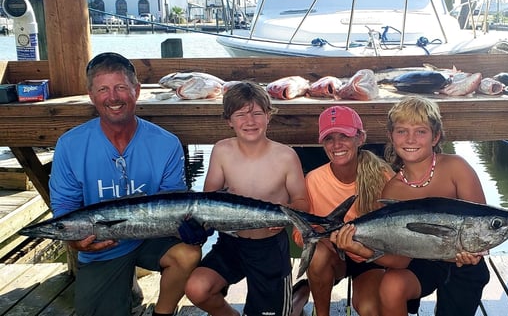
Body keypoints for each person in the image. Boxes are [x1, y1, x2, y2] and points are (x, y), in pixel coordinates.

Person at [49, 52, 203, 316]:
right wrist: (75, 242)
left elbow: (172, 201)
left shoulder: (166, 143)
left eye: (121, 87)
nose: (113, 97)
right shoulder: (70, 144)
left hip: (150, 238)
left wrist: (188, 227)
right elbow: (64, 205)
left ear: (137, 91)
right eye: (103, 89)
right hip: (102, 245)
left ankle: (162, 312)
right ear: (91, 95)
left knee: (188, 253)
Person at [331, 96, 490, 316]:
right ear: (391, 137)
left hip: (464, 265)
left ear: (435, 137)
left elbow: (482, 223)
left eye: (420, 131)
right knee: (391, 285)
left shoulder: (457, 168)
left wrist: (475, 253)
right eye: (402, 131)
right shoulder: (393, 191)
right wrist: (358, 248)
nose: (410, 139)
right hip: (421, 260)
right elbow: (399, 260)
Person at [184, 81, 309, 316]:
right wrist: (198, 225)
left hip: (270, 248)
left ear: (269, 116)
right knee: (197, 288)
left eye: (257, 113)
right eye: (240, 114)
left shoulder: (286, 156)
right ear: (229, 120)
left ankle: (294, 303)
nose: (249, 121)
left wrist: (286, 212)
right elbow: (208, 200)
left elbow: (302, 202)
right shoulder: (221, 150)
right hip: (231, 242)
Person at [292, 106, 394, 316]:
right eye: (329, 138)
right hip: (333, 257)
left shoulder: (383, 175)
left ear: (360, 138)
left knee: (369, 309)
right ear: (322, 143)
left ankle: (306, 288)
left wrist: (360, 248)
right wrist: (326, 241)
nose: (336, 144)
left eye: (344, 136)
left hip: (369, 259)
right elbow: (298, 232)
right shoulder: (313, 179)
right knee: (317, 254)